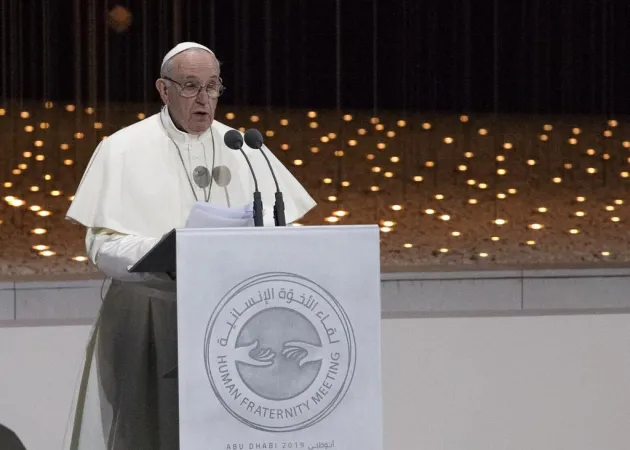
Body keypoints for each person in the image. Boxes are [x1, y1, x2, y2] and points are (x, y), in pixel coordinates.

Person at [62, 42, 316, 450]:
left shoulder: (244, 147)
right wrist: (165, 253)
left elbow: (282, 225)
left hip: (236, 323)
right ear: (163, 90)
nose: (204, 99)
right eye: (190, 86)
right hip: (148, 317)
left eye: (213, 87)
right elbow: (101, 245)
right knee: (148, 435)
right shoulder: (123, 147)